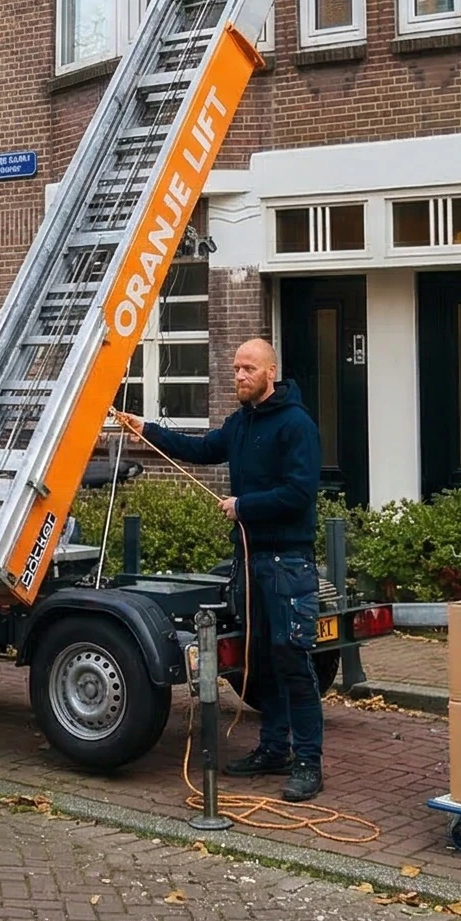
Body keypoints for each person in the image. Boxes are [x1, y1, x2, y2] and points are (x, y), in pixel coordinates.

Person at [115, 337, 327, 802]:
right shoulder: (240, 423)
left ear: (270, 372)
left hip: (287, 563)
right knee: (262, 661)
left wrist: (243, 505)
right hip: (249, 562)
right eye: (235, 369)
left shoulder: (296, 425)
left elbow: (299, 494)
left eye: (248, 369)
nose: (239, 377)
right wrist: (146, 429)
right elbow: (202, 448)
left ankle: (308, 762)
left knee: (292, 658)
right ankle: (274, 749)